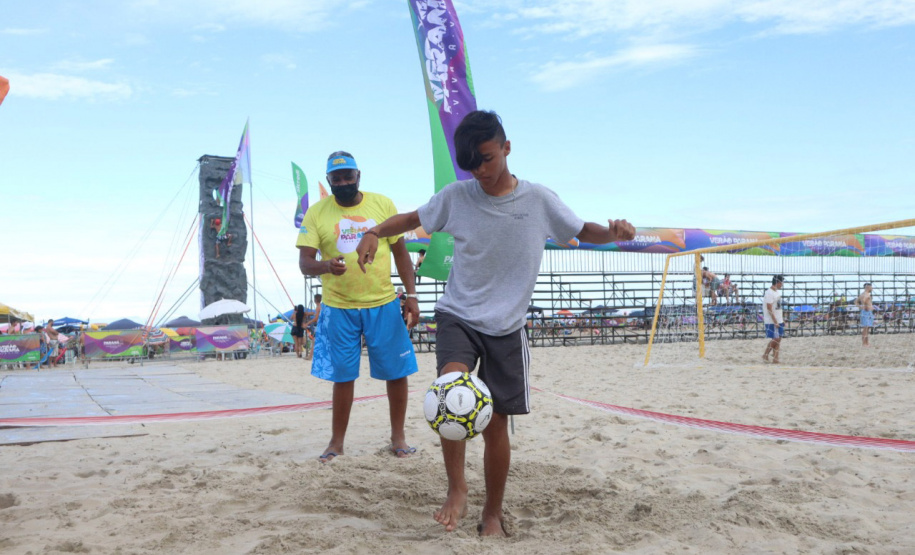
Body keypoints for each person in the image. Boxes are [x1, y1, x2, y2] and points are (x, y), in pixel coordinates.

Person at [355, 110, 636, 537]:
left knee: (496, 423)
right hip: (459, 314)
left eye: (486, 158)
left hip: (507, 325)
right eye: (470, 163)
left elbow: (582, 230)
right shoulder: (456, 196)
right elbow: (411, 220)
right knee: (451, 394)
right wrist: (374, 231)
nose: (480, 170)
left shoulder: (539, 200)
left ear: (506, 147)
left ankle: (493, 511)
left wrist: (613, 232)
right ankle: (456, 488)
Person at [297, 151, 420, 463]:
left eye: (347, 176)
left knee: (396, 373)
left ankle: (398, 437)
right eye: (335, 178)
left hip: (383, 303)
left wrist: (412, 295)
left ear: (358, 175)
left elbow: (402, 255)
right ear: (328, 180)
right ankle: (336, 443)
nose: (342, 183)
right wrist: (325, 265)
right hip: (339, 307)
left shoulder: (382, 205)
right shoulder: (316, 213)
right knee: (343, 376)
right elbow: (304, 263)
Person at [762, 275, 785, 363]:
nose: (782, 285)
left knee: (778, 339)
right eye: (781, 283)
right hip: (771, 320)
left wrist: (782, 319)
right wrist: (775, 321)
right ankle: (765, 354)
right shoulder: (769, 293)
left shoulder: (777, 292)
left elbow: (778, 308)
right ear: (778, 282)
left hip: (779, 319)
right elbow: (769, 308)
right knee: (776, 339)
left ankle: (775, 358)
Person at [303, 293, 322, 360]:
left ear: (315, 300)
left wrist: (308, 322)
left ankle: (310, 357)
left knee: (314, 341)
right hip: (322, 326)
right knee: (317, 342)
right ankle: (311, 356)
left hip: (319, 326)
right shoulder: (322, 306)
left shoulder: (318, 307)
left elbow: (316, 318)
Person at [855, 283, 874, 347]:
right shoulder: (866, 294)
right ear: (868, 287)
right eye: (871, 287)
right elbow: (863, 300)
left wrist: (861, 307)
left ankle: (866, 343)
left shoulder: (862, 294)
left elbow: (856, 302)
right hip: (867, 312)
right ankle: (864, 343)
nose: (872, 288)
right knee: (865, 328)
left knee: (867, 328)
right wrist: (865, 306)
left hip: (866, 311)